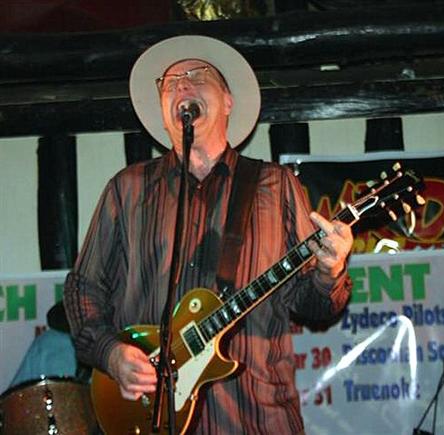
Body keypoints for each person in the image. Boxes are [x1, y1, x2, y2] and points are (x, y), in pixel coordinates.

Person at [63, 35, 353, 434]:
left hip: (255, 417)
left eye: (198, 76)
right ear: (163, 110)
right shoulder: (126, 190)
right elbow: (83, 288)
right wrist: (111, 354)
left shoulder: (275, 185)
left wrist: (328, 271)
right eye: (170, 82)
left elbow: (313, 306)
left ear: (228, 101)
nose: (182, 85)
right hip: (152, 417)